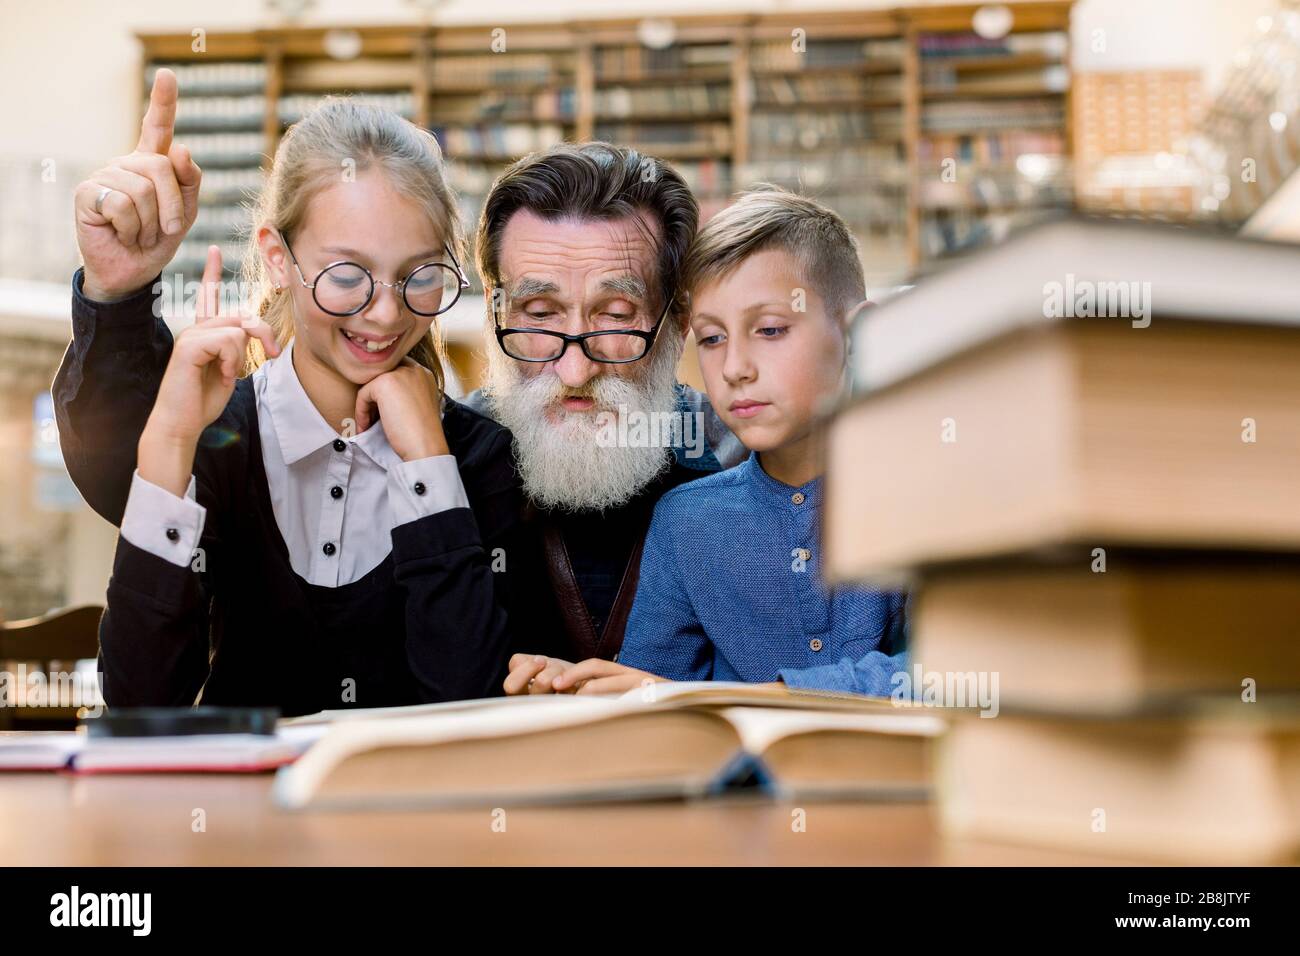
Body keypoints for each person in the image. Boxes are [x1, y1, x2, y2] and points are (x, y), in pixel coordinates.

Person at [71, 71, 520, 714]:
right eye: (347, 274)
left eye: (419, 275)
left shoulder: (479, 456)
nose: (387, 315)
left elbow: (470, 704)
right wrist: (170, 440)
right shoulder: (218, 439)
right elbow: (141, 705)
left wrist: (428, 461)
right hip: (236, 813)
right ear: (279, 260)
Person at [505, 187, 908, 697]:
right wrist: (573, 683)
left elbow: (969, 671)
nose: (736, 369)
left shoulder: (925, 490)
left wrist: (766, 698)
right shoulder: (685, 521)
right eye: (713, 339)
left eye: (769, 329)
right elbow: (657, 693)